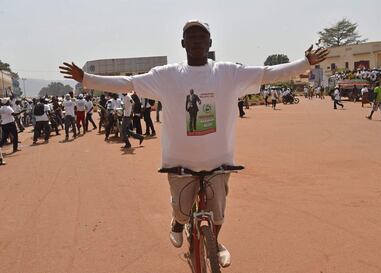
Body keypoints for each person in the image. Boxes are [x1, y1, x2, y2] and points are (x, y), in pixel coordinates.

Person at [59, 19, 328, 268]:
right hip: (179, 163)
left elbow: (268, 74)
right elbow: (128, 82)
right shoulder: (166, 76)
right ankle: (178, 222)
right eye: (191, 36)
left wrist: (305, 63)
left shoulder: (228, 73)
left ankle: (215, 241)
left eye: (202, 36)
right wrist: (87, 79)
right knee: (183, 212)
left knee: (218, 215)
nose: (197, 40)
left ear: (210, 43)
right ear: (183, 43)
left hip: (219, 162)